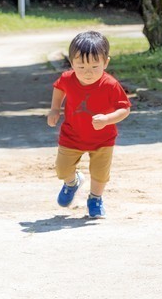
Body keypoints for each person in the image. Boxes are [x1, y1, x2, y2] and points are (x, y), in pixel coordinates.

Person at [47, 31, 131, 218]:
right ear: (71, 63)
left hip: (103, 138)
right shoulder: (68, 78)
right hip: (72, 136)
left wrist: (108, 119)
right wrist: (55, 109)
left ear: (106, 63)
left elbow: (124, 109)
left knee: (100, 173)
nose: (88, 72)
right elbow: (59, 87)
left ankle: (95, 199)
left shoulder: (110, 84)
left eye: (95, 66)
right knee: (62, 169)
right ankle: (72, 183)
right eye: (81, 66)